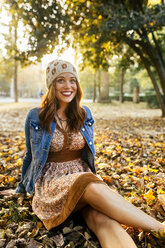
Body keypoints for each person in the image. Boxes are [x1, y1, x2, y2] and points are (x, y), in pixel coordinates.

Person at [2, 59, 165, 248]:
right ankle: (159, 229)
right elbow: (30, 156)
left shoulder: (84, 113)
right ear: (51, 84)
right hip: (52, 186)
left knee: (101, 218)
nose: (68, 86)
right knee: (87, 181)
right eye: (60, 80)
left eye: (72, 80)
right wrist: (21, 188)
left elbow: (87, 154)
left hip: (84, 182)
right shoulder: (36, 116)